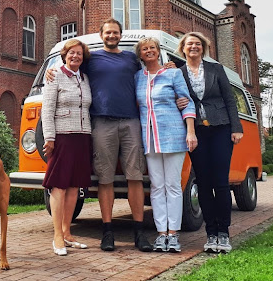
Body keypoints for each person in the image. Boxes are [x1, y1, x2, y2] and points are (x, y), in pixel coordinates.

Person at [47, 19, 188, 252]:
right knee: (105, 177)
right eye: (108, 32)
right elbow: (70, 68)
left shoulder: (132, 59)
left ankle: (139, 232)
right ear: (101, 35)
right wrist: (53, 70)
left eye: (115, 32)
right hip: (102, 122)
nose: (112, 35)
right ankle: (107, 231)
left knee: (135, 176)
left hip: (132, 120)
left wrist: (172, 68)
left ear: (120, 35)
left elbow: (153, 71)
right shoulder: (91, 59)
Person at [177, 32, 243, 253]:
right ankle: (211, 233)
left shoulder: (216, 69)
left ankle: (224, 233)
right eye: (189, 44)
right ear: (183, 48)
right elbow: (175, 96)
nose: (193, 47)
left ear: (203, 48)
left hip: (221, 129)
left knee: (221, 183)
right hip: (196, 132)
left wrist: (236, 128)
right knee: (203, 184)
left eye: (197, 44)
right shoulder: (179, 73)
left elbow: (229, 100)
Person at [134, 37, 197, 253]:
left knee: (173, 186)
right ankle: (161, 234)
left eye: (152, 48)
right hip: (149, 139)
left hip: (173, 136)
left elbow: (186, 101)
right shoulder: (137, 78)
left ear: (159, 51)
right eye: (145, 49)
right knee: (156, 187)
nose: (149, 51)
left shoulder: (173, 73)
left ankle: (174, 234)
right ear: (140, 54)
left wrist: (190, 131)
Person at [41, 38, 92, 256]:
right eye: (71, 53)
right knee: (59, 186)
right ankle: (57, 236)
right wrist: (49, 138)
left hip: (82, 136)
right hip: (62, 136)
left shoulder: (85, 77)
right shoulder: (55, 75)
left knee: (74, 187)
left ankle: (67, 232)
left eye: (79, 53)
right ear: (64, 55)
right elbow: (47, 109)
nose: (75, 56)